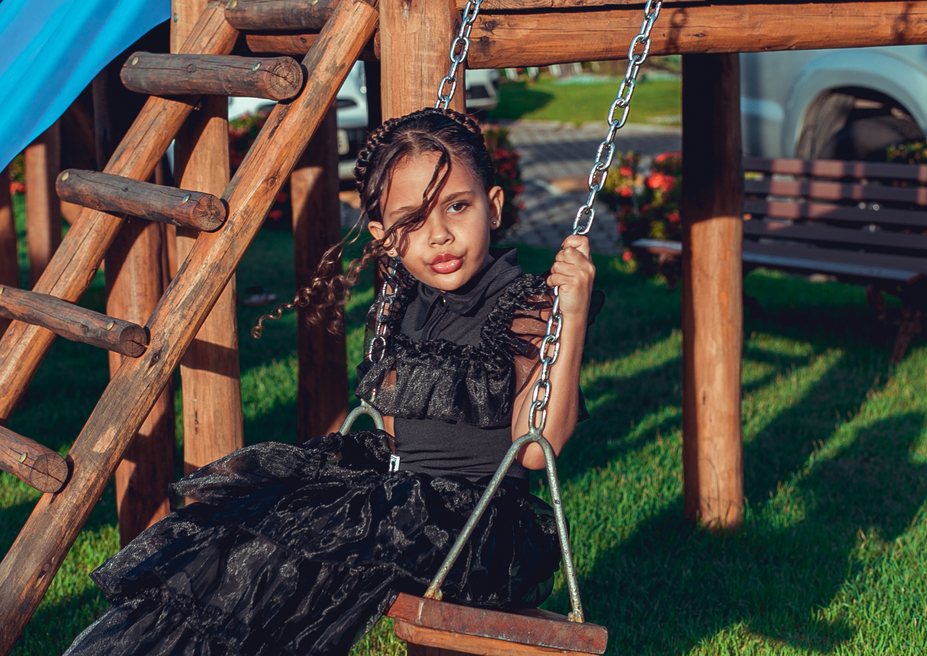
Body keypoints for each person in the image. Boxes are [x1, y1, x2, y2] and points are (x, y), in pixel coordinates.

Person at [65, 108, 597, 656]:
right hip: (410, 508)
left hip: (478, 527)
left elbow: (536, 448)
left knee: (294, 555)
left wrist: (571, 315)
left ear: (494, 206)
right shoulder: (405, 303)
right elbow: (397, 427)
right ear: (384, 239)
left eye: (457, 207)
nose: (438, 235)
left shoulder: (527, 303)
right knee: (244, 533)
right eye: (410, 222)